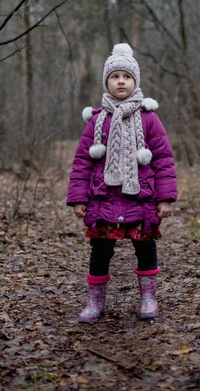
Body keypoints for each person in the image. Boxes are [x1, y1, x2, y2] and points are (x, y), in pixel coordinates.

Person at [67, 43, 177, 323]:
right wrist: (79, 198)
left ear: (135, 81)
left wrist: (165, 198)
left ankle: (148, 297)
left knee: (146, 247)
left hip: (141, 197)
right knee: (100, 250)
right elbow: (82, 161)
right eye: (115, 76)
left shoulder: (149, 118)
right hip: (103, 197)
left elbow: (163, 160)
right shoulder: (96, 121)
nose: (121, 81)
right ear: (106, 82)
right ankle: (95, 301)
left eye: (126, 77)